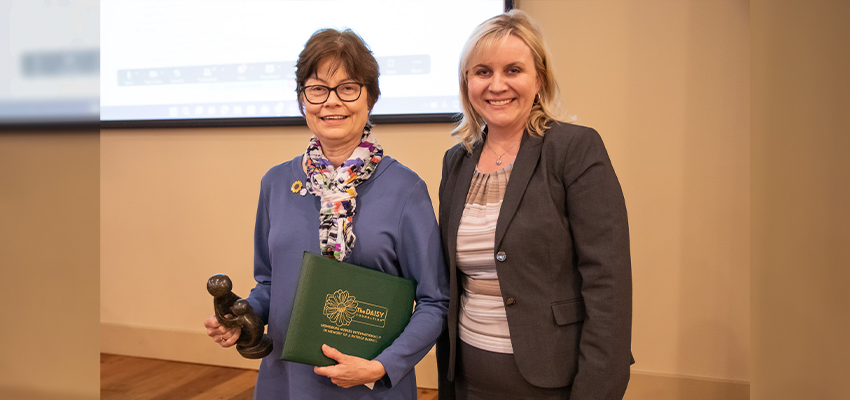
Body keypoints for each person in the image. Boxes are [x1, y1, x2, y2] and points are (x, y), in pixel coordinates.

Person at [204, 28, 448, 399]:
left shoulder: (405, 189)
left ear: (370, 98)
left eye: (348, 87)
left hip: (369, 385)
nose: (331, 102)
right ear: (303, 100)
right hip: (286, 382)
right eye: (317, 89)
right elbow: (270, 282)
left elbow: (434, 301)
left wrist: (383, 365)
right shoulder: (276, 183)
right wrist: (243, 316)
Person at [436, 10, 633, 400]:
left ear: (538, 78)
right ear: (467, 82)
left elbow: (608, 282)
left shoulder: (574, 149)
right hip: (468, 376)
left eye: (513, 70)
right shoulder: (456, 161)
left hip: (552, 380)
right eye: (482, 72)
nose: (497, 85)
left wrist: (598, 390)